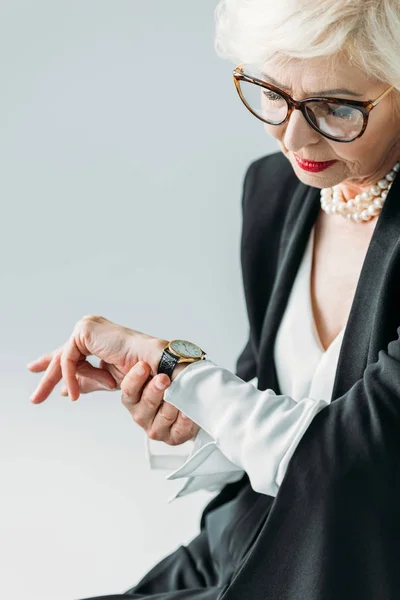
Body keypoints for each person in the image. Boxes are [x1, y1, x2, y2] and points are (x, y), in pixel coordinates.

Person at [27, 0, 400, 598]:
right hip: (244, 541)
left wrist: (185, 370)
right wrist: (187, 415)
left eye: (337, 107)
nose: (294, 135)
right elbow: (271, 403)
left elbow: (353, 465)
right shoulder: (275, 190)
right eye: (272, 92)